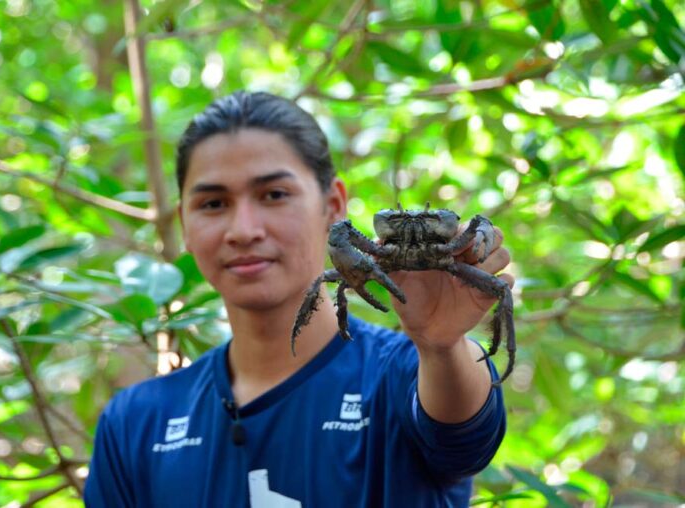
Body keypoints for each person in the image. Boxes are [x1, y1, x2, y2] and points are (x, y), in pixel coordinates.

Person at [84, 91, 513, 507]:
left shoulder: (403, 376)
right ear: (185, 225)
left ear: (334, 206)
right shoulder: (134, 424)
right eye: (214, 203)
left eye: (274, 195)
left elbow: (464, 439)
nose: (244, 229)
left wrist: (441, 348)